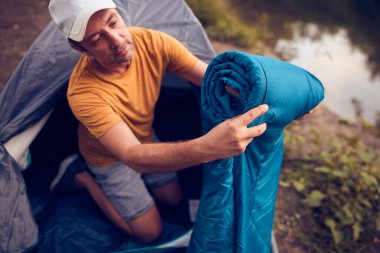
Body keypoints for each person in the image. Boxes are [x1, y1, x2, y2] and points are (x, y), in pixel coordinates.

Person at [48, 0, 314, 243]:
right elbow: (132, 155)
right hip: (108, 157)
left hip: (145, 137)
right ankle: (81, 176)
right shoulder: (84, 93)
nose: (116, 40)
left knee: (174, 198)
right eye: (97, 39)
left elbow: (213, 79)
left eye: (113, 22)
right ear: (79, 48)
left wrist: (281, 102)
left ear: (118, 12)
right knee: (150, 232)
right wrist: (209, 146)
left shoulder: (152, 43)